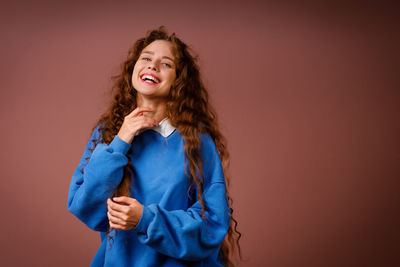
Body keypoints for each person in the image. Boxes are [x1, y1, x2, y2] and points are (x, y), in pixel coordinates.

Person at [67, 26, 241, 267]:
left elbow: (213, 224)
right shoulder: (108, 134)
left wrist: (146, 220)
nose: (152, 66)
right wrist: (121, 141)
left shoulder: (197, 141)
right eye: (146, 58)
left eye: (166, 63)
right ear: (134, 68)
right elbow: (85, 206)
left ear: (179, 80)